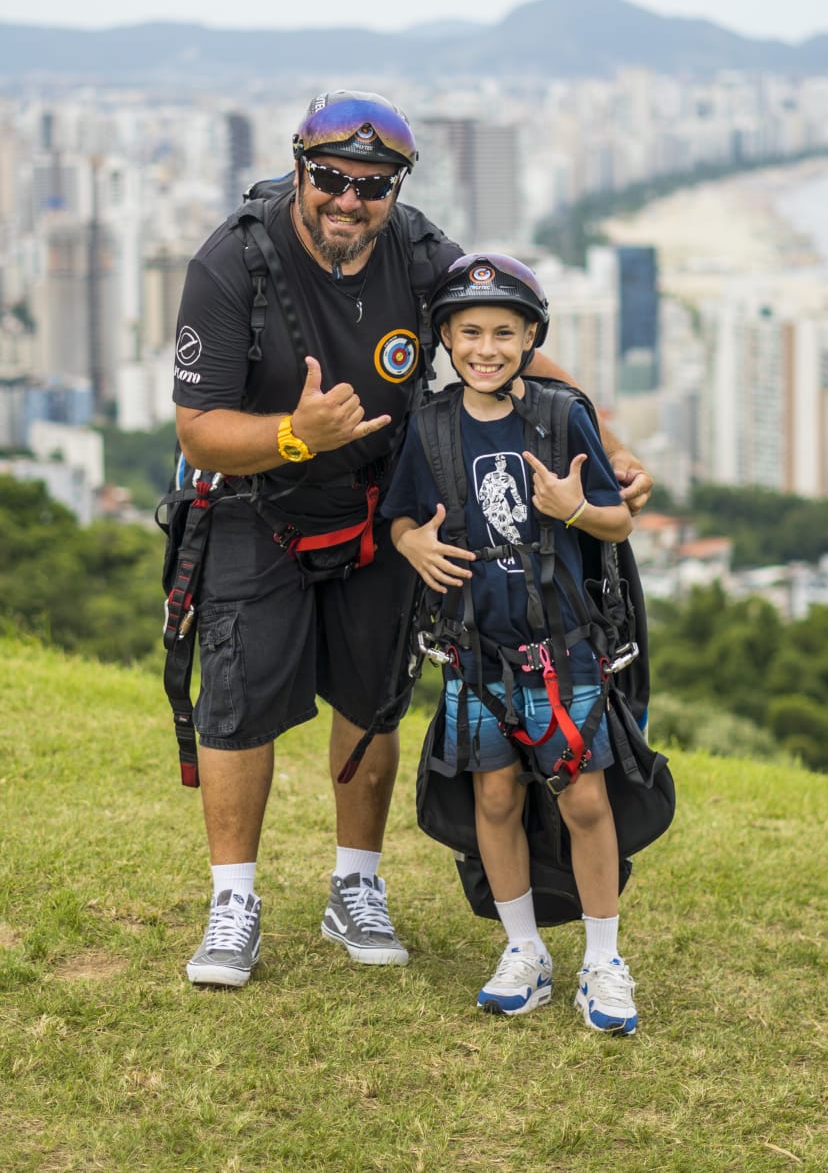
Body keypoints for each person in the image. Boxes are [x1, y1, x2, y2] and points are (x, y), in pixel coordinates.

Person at [170, 90, 653, 989]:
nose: (349, 201)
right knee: (236, 699)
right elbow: (199, 431)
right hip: (255, 504)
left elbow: (498, 335)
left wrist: (609, 446)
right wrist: (295, 435)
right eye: (331, 178)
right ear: (300, 170)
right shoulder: (233, 261)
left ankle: (355, 884)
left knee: (373, 696)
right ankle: (232, 901)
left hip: (380, 512)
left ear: (397, 189)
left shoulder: (416, 246)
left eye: (373, 185)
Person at [383, 253, 639, 1032]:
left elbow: (617, 520)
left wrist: (573, 509)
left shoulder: (562, 418)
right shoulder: (431, 426)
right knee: (494, 796)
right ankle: (523, 950)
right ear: (445, 338)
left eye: (503, 332)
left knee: (584, 797)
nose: (485, 348)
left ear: (531, 338)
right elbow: (402, 515)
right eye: (469, 332)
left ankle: (604, 959)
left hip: (562, 649)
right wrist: (409, 543)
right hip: (476, 650)